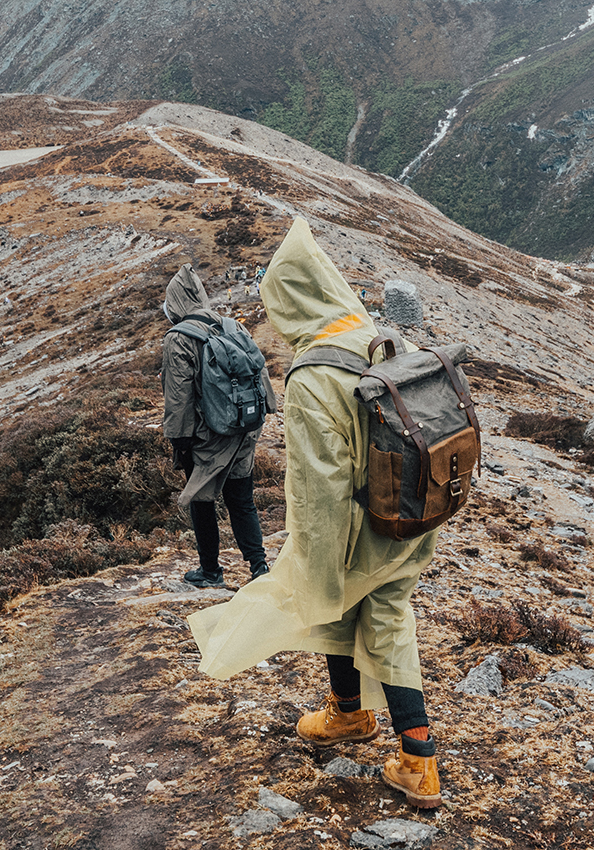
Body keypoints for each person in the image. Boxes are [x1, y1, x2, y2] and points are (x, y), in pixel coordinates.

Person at [186, 218, 442, 809]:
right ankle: (357, 720)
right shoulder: (379, 337)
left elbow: (319, 485)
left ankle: (415, 760)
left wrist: (314, 561)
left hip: (361, 524)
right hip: (410, 512)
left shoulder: (311, 375)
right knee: (379, 615)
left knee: (340, 599)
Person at [162, 263, 272, 588]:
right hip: (246, 426)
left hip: (208, 434)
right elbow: (260, 375)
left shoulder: (178, 339)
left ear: (176, 303)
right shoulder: (233, 326)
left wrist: (179, 442)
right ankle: (260, 567)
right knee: (242, 499)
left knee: (202, 499)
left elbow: (178, 398)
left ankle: (210, 570)